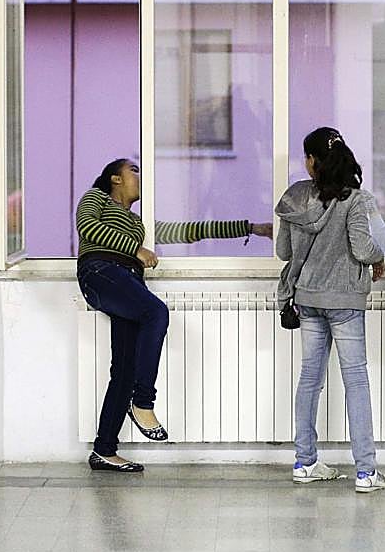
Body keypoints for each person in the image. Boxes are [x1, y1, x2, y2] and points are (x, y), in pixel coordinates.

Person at [76, 158, 272, 472]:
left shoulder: (140, 222)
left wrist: (252, 228)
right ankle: (143, 402)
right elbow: (88, 228)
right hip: (99, 272)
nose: (140, 176)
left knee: (124, 371)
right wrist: (135, 250)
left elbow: (191, 230)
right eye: (134, 170)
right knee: (156, 312)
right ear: (114, 178)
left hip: (126, 281)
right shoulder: (95, 197)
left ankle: (103, 450)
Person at [276, 127, 385, 493]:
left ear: (311, 161)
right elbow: (361, 247)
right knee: (355, 381)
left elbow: (283, 252)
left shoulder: (294, 200)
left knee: (310, 379)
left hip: (307, 299)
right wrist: (378, 257)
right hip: (344, 301)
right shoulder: (355, 200)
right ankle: (366, 472)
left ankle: (305, 462)